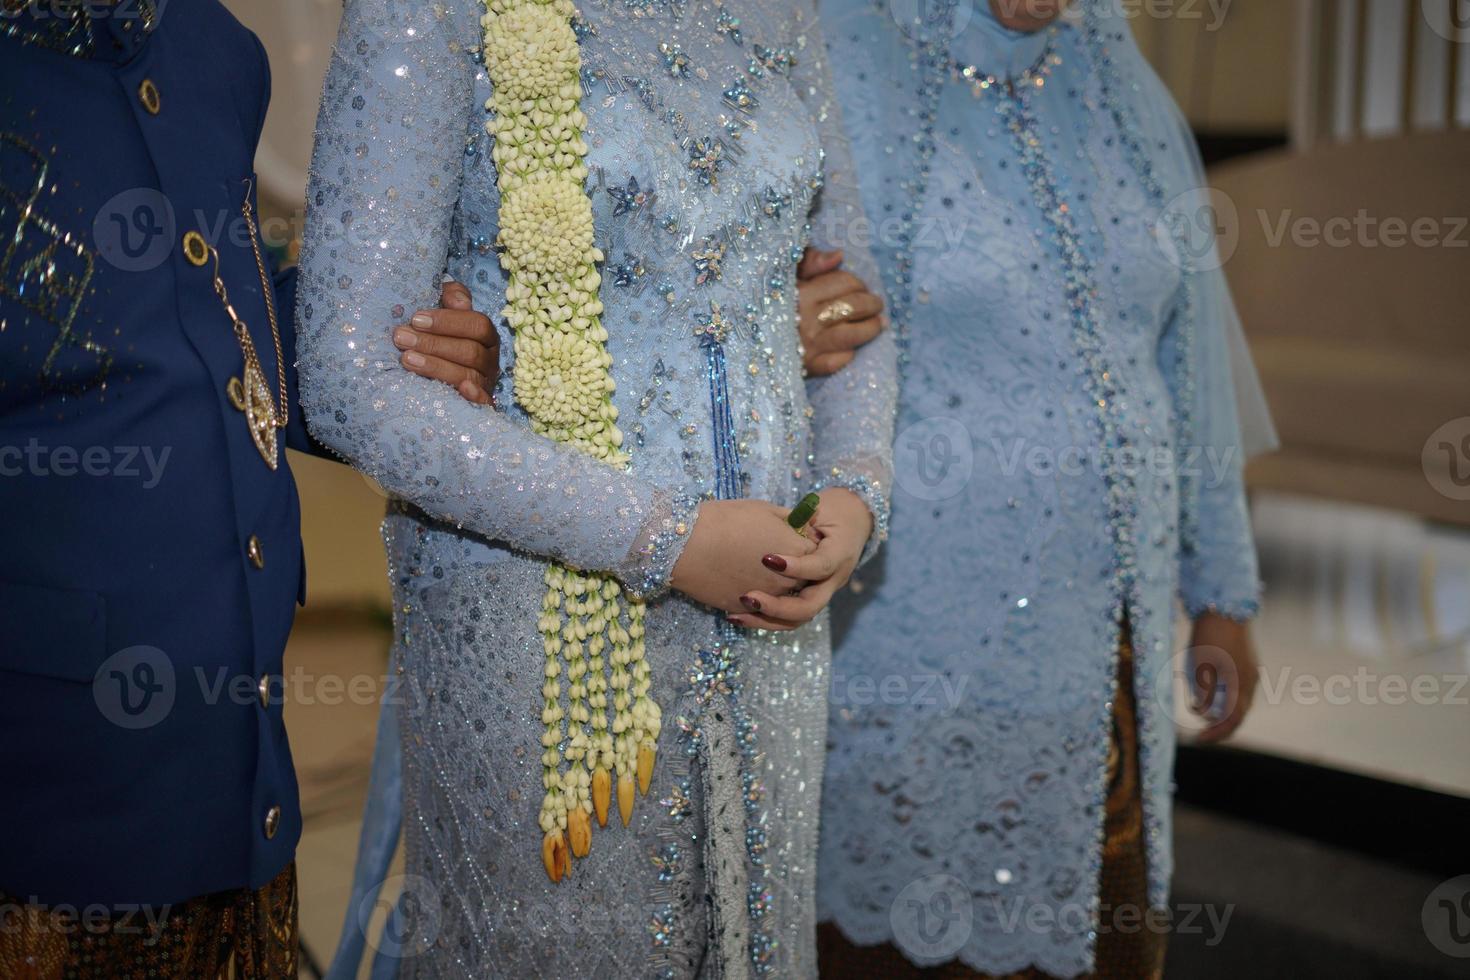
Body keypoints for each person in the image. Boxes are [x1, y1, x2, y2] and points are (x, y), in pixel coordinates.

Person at [295, 0, 896, 976]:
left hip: (771, 619)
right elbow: (351, 379)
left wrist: (854, 498)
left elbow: (855, 292)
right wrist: (669, 539)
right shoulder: (434, 11)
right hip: (543, 613)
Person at [0, 2, 500, 975]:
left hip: (243, 773)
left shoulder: (209, 48)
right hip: (46, 810)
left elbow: (221, 314)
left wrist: (403, 353)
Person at [807, 0, 1277, 977]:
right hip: (919, 622)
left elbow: (1185, 346)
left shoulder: (1111, 72)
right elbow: (766, 309)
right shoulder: (847, 49)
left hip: (1111, 632)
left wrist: (1222, 588)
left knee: (1098, 922)